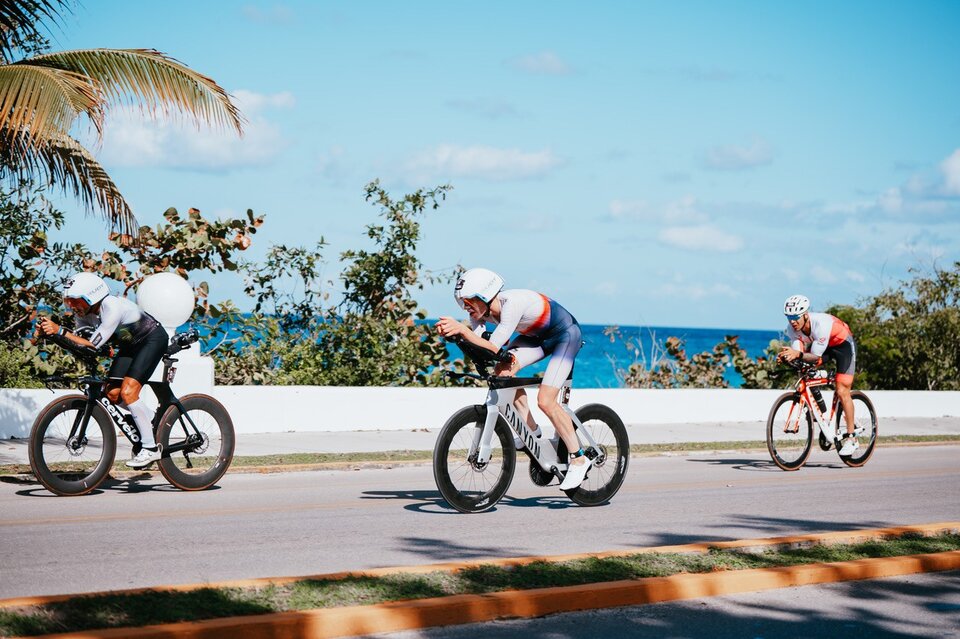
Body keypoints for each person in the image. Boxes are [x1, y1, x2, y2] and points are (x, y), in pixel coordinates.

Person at [435, 268, 590, 490]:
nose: (465, 307)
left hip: (565, 335)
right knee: (502, 372)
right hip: (536, 338)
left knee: (546, 401)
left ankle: (579, 459)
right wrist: (456, 336)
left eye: (468, 301)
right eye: (462, 303)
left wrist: (463, 330)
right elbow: (482, 349)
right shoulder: (478, 314)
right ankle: (532, 431)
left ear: (485, 296)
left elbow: (492, 346)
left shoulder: (511, 304)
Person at [33, 272, 170, 468]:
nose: (72, 306)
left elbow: (91, 345)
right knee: (112, 393)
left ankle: (150, 448)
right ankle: (149, 418)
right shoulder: (84, 315)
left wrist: (60, 331)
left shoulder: (111, 306)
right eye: (69, 301)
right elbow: (80, 344)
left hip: (152, 339)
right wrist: (50, 335)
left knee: (128, 392)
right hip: (130, 345)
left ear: (92, 296)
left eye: (75, 301)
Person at [777, 294, 859, 455]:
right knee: (805, 370)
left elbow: (815, 357)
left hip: (843, 346)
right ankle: (822, 416)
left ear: (805, 315)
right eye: (789, 317)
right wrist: (786, 358)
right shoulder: (792, 329)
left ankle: (852, 439)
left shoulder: (820, 324)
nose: (792, 321)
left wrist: (798, 354)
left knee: (842, 390)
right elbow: (799, 355)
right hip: (824, 347)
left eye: (796, 317)